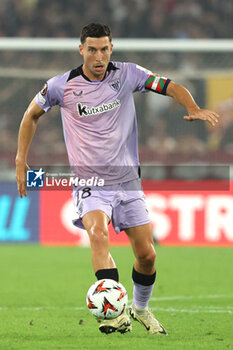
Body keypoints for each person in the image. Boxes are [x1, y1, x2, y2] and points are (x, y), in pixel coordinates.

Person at [15, 23, 219, 335]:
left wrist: (192, 107)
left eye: (104, 49)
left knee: (147, 255)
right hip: (90, 183)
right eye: (92, 49)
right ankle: (116, 312)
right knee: (98, 234)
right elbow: (30, 115)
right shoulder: (61, 85)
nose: (99, 56)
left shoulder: (129, 74)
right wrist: (21, 160)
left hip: (128, 182)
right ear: (81, 50)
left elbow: (170, 86)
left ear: (112, 49)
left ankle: (140, 309)